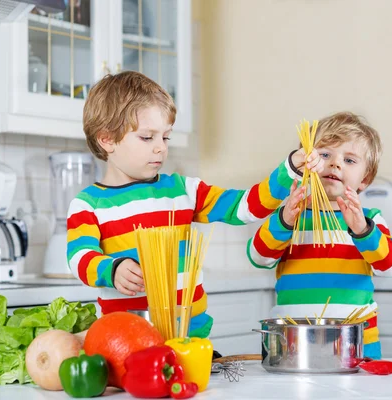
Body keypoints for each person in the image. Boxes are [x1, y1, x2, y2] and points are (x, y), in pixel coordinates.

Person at [66, 71, 323, 338]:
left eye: (165, 137)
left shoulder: (182, 190)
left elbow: (244, 207)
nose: (160, 148)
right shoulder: (89, 205)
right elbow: (79, 258)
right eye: (147, 137)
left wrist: (290, 168)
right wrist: (113, 269)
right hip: (127, 340)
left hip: (191, 337)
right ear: (106, 139)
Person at [246, 111, 392, 359]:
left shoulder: (369, 219)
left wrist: (362, 230)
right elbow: (258, 256)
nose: (335, 163)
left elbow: (391, 266)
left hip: (357, 345)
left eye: (350, 160)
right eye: (324, 155)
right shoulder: (291, 214)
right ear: (305, 165)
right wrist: (284, 221)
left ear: (366, 179)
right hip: (293, 344)